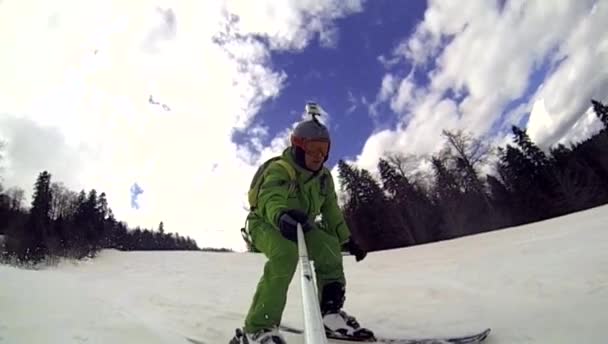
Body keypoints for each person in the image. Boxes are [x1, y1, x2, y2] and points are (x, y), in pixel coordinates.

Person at [231, 103, 373, 344]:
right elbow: (269, 195)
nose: (319, 156)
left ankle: (330, 314)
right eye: (312, 149)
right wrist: (280, 214)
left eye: (324, 150)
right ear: (297, 146)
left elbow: (331, 211)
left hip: (300, 225)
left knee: (329, 248)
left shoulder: (323, 179)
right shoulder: (282, 168)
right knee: (285, 254)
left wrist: (346, 239)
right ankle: (257, 328)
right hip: (266, 221)